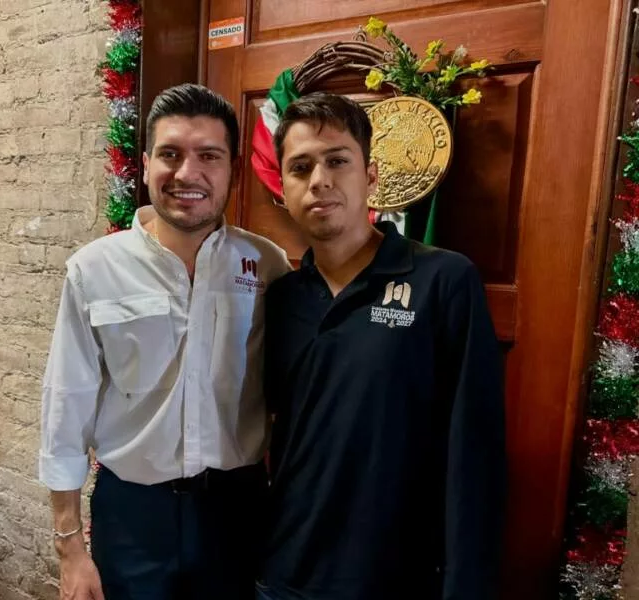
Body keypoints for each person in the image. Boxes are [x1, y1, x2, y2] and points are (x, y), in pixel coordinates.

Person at [39, 83, 291, 600]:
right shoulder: (94, 270)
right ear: (147, 163)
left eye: (209, 156)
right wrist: (70, 549)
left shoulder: (266, 265)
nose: (187, 173)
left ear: (233, 170)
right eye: (171, 154)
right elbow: (65, 409)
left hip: (236, 512)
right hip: (133, 516)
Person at [257, 92, 506, 600]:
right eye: (300, 167)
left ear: (370, 177)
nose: (319, 180)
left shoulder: (442, 281)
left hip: (396, 579)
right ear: (283, 188)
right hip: (284, 576)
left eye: (337, 161)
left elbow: (474, 453)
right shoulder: (279, 299)